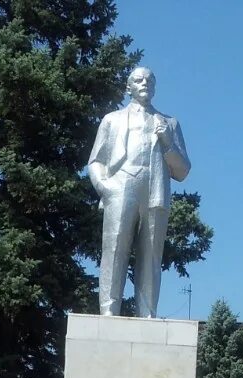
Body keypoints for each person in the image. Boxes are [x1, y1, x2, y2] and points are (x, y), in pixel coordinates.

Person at [88, 66, 191, 318]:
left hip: (156, 190)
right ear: (129, 87)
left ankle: (147, 313)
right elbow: (96, 161)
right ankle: (109, 311)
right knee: (114, 251)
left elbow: (182, 171)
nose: (144, 83)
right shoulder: (112, 119)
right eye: (138, 79)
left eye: (149, 80)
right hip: (121, 186)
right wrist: (104, 186)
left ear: (154, 87)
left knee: (151, 256)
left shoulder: (169, 123)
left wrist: (168, 142)